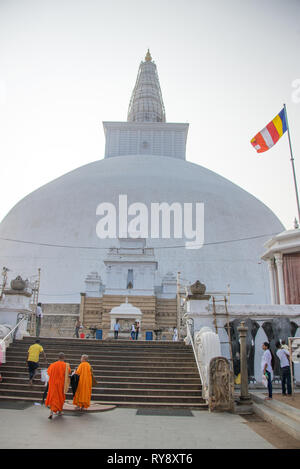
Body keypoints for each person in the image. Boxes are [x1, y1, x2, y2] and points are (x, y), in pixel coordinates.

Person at [45, 352, 71, 419]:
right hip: (61, 384)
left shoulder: (53, 365)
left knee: (53, 397)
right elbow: (68, 373)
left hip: (53, 384)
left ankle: (51, 412)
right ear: (64, 358)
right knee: (60, 397)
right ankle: (60, 411)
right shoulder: (66, 365)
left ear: (58, 357)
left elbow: (48, 373)